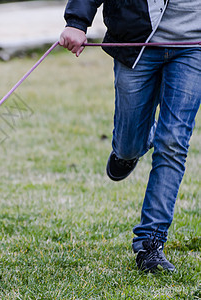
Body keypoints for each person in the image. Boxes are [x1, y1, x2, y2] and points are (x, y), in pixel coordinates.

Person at [59, 0, 200, 272]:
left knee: (173, 142)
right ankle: (128, 152)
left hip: (194, 47)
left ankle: (150, 243)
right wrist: (76, 22)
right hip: (137, 41)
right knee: (128, 145)